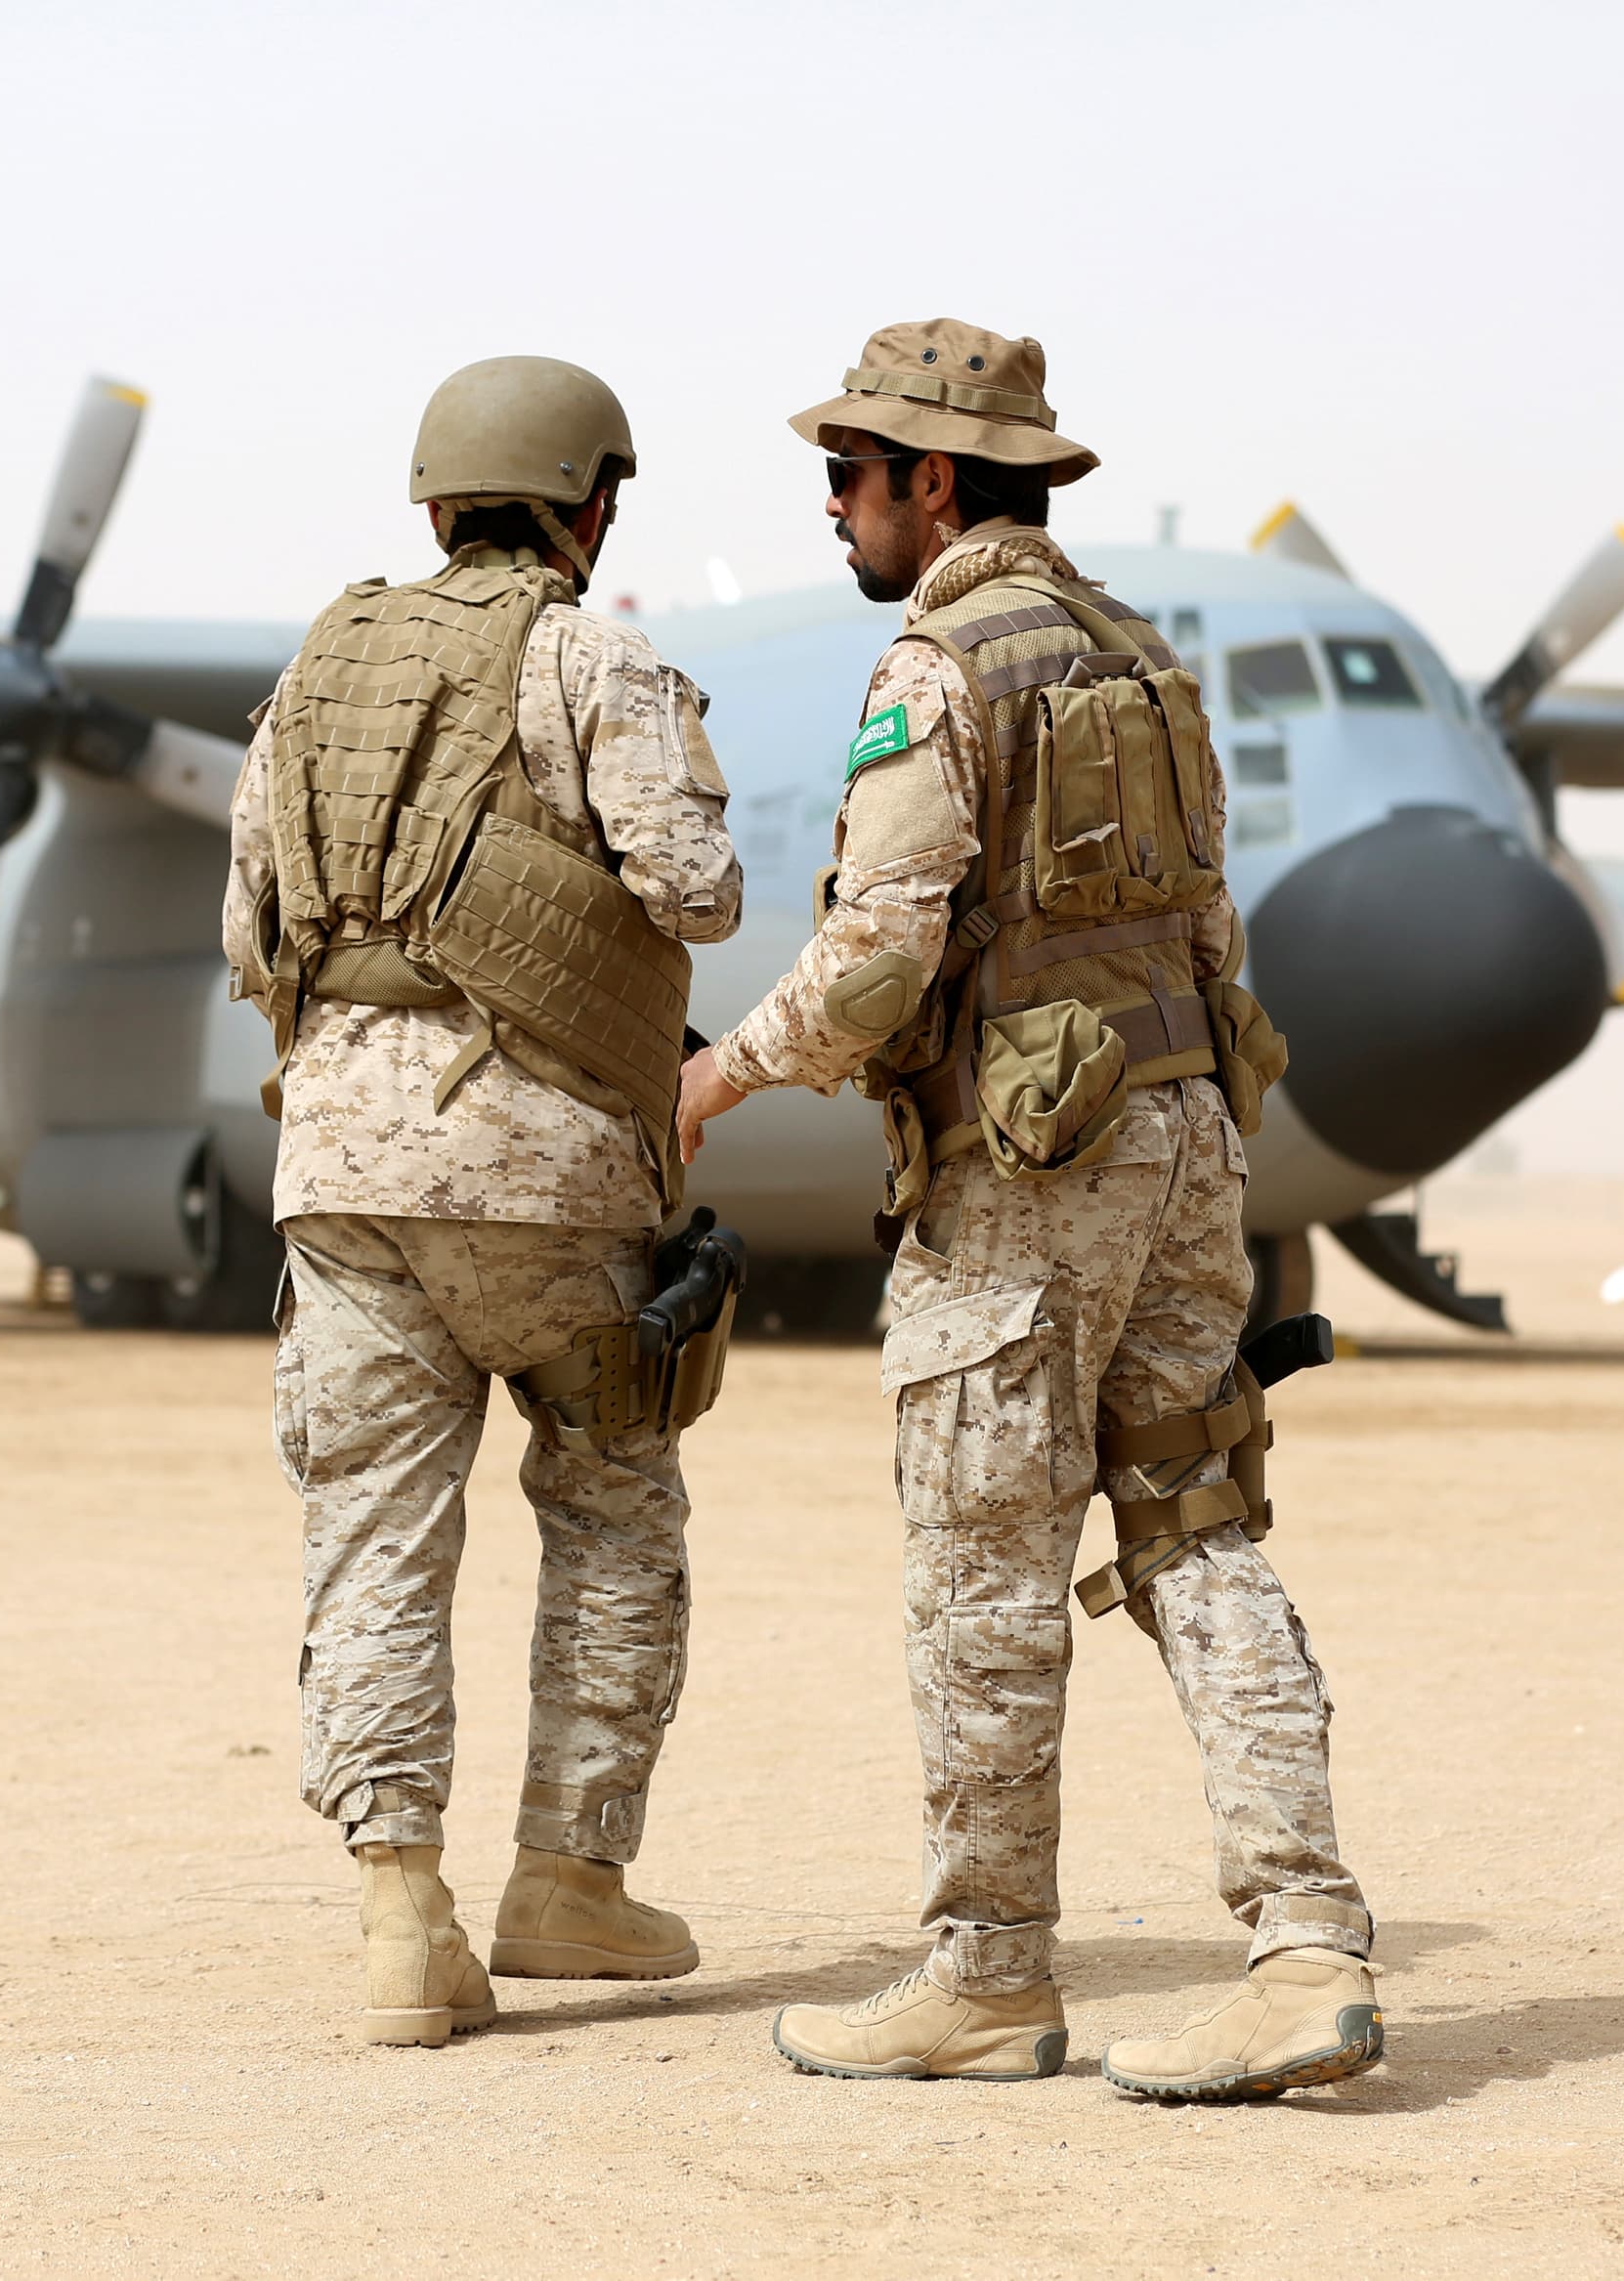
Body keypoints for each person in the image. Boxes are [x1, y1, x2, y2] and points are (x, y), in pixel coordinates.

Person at [674, 320, 1378, 2100]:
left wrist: (722, 1072)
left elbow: (883, 947)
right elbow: (1208, 930)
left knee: (982, 1575)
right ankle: (1306, 1942)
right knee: (1197, 1523)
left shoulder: (941, 666)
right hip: (1187, 1140)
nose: (834, 505)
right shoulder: (1144, 658)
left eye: (851, 473)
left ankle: (985, 1975)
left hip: (1029, 1171)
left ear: (934, 481)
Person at [221, 356, 744, 2048]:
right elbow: (697, 890)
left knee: (373, 1527)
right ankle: (570, 1879)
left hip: (338, 1173)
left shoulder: (312, 673)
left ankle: (403, 1917)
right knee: (611, 1502)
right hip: (546, 1172)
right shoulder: (594, 657)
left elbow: (247, 928)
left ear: (437, 505)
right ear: (593, 505)